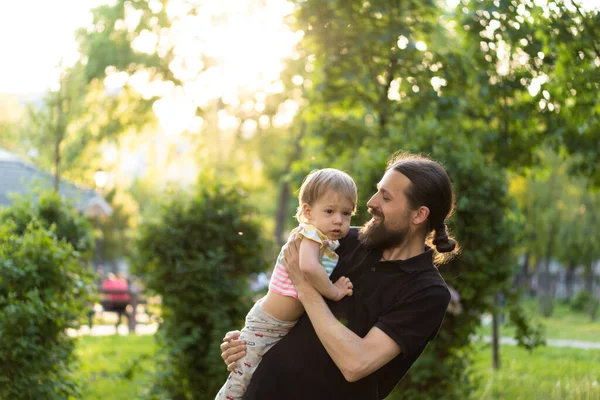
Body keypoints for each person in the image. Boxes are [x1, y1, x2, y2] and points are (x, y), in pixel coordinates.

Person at [220, 153, 459, 399]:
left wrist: (306, 287)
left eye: (386, 197)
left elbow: (355, 364)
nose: (371, 202)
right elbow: (286, 288)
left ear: (419, 215)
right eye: (378, 191)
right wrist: (249, 341)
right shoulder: (341, 241)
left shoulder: (427, 292)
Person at [215, 168, 358, 400]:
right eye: (330, 211)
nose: (339, 220)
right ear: (307, 212)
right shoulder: (311, 235)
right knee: (241, 378)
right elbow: (309, 268)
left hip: (280, 327)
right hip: (268, 323)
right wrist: (334, 291)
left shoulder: (327, 243)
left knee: (254, 374)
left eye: (347, 213)